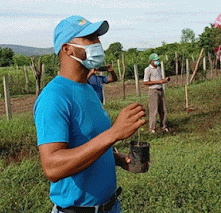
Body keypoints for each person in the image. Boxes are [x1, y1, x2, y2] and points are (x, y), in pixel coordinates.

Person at [33, 15, 146, 213]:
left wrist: (118, 159)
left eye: (97, 38)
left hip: (110, 207)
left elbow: (89, 140)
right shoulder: (54, 97)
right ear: (67, 49)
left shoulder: (87, 89)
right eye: (90, 39)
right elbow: (52, 168)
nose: (98, 44)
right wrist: (115, 133)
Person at [143, 53, 170, 134]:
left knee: (163, 110)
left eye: (158, 60)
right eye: (156, 60)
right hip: (153, 91)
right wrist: (158, 82)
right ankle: (152, 129)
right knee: (153, 111)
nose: (157, 61)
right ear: (152, 61)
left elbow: (160, 78)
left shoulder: (159, 68)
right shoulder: (148, 69)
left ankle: (163, 126)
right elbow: (145, 82)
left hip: (160, 90)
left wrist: (164, 80)